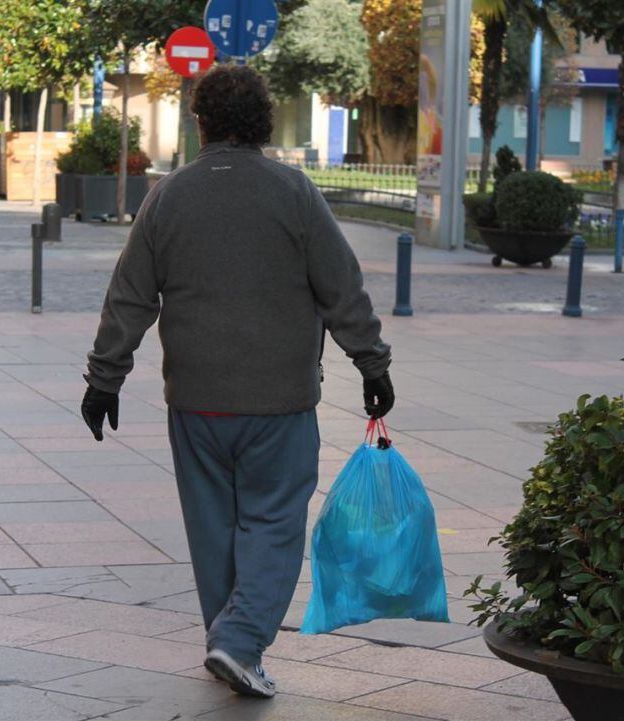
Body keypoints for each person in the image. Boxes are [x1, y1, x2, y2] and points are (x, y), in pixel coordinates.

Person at [80, 66, 394, 699]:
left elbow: (130, 297)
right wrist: (372, 364)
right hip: (278, 400)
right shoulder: (294, 192)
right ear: (262, 122)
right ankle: (240, 639)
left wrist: (104, 379)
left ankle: (228, 640)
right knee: (273, 522)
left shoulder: (168, 196)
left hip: (195, 401)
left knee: (212, 526)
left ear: (201, 124)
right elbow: (342, 289)